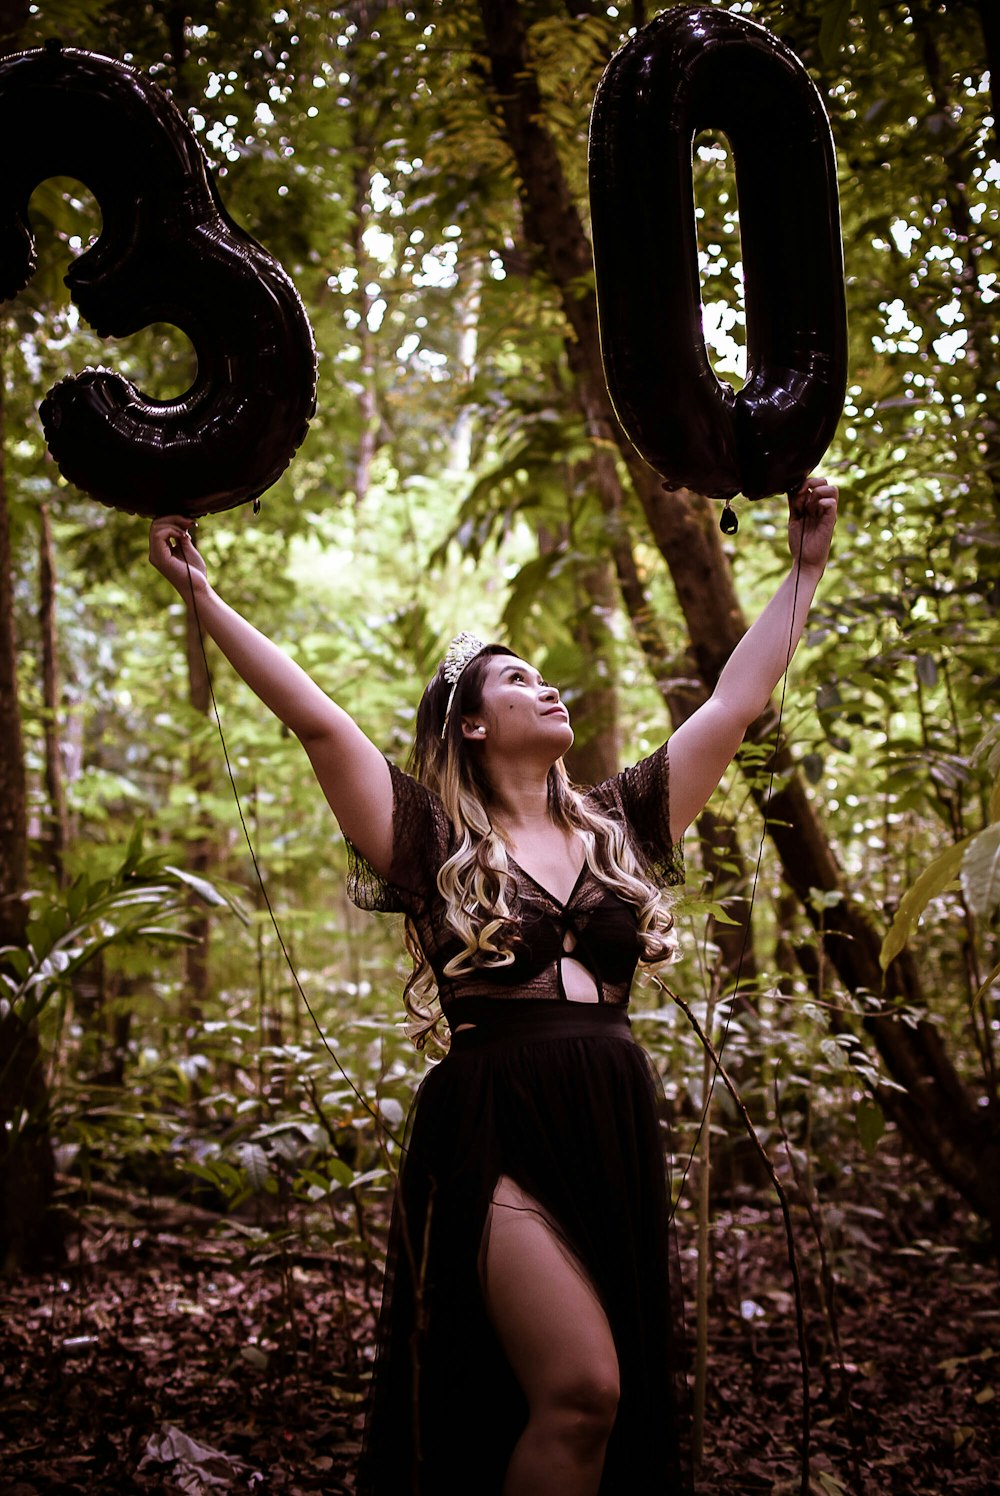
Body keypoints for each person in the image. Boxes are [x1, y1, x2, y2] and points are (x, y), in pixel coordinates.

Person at [150, 477, 838, 1496]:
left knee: (597, 1414)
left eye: (547, 676)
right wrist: (202, 596)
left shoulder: (624, 820)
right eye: (516, 679)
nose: (547, 686)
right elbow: (320, 724)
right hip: (492, 1124)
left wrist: (803, 569)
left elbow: (734, 704)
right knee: (581, 1390)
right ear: (470, 724)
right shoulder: (430, 840)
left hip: (609, 1115)